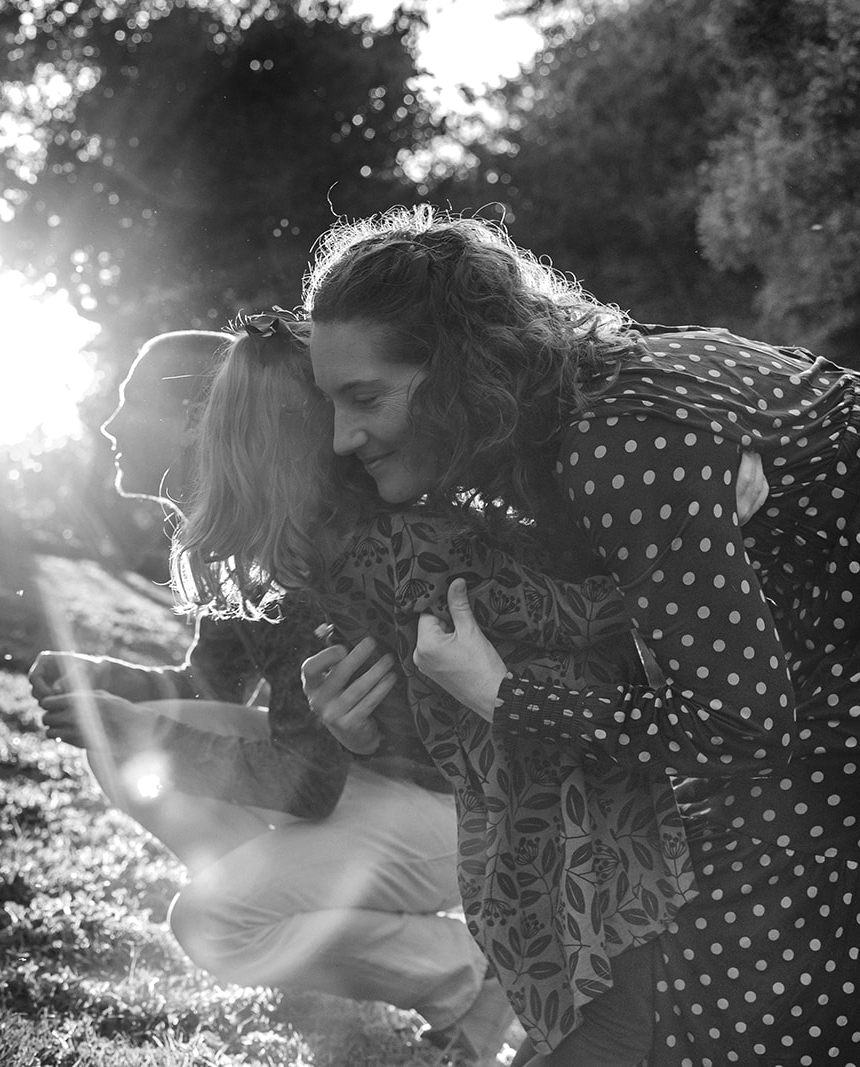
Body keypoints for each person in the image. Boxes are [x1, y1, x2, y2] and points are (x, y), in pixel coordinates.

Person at [291, 207, 860, 1064]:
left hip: (805, 707)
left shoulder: (615, 440)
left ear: (459, 369)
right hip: (811, 685)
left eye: (365, 397)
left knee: (732, 1002)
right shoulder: (571, 420)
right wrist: (374, 730)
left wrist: (504, 695)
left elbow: (742, 725)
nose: (343, 437)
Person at [30, 330, 517, 1064]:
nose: (110, 423)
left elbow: (309, 779)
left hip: (454, 818)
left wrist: (144, 734)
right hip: (376, 785)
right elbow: (210, 684)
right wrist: (107, 680)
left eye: (131, 401)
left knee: (210, 923)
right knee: (139, 732)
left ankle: (465, 972)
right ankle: (295, 915)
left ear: (211, 422)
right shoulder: (247, 537)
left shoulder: (315, 562)